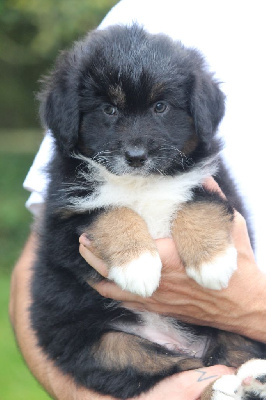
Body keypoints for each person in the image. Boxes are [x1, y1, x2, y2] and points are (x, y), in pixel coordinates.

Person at [10, 0, 266, 399]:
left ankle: (233, 380)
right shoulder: (148, 9)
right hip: (116, 336)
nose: (135, 144)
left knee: (245, 355)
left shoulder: (197, 160)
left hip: (230, 338)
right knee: (93, 346)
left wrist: (248, 307)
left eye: (161, 107)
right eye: (109, 110)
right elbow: (54, 248)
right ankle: (214, 386)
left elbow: (216, 210)